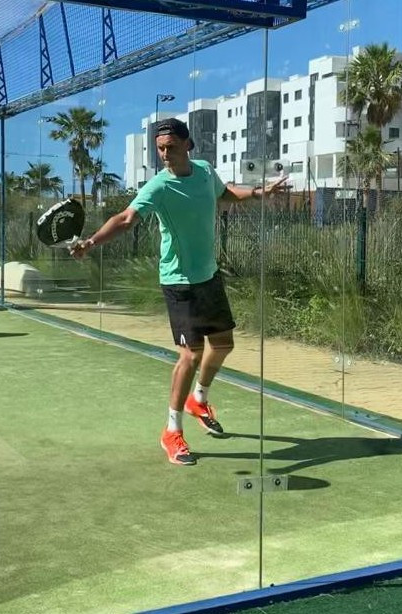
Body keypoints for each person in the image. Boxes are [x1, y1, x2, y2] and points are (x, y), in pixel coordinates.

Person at [71, 118, 284, 465]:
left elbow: (224, 193)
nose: (165, 154)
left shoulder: (204, 171)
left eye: (170, 147)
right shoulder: (158, 187)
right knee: (190, 355)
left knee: (224, 344)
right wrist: (91, 243)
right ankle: (172, 431)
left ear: (188, 145)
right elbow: (125, 219)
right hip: (178, 281)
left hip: (208, 276)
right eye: (160, 149)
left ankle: (199, 398)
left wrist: (259, 193)